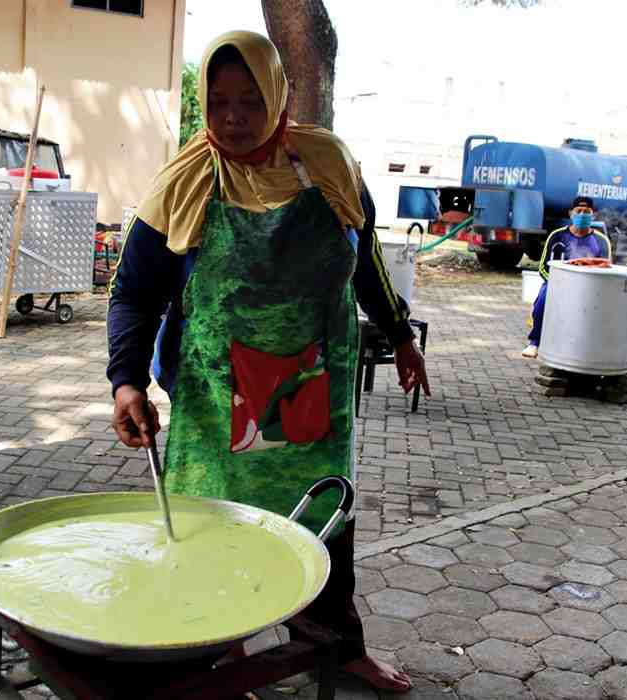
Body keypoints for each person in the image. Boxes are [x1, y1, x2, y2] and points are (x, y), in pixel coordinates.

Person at [107, 31, 429, 693]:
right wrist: (126, 381)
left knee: (324, 521)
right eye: (218, 101)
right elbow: (134, 291)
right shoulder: (189, 177)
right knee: (207, 524)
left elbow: (364, 256)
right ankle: (211, 654)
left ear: (277, 93)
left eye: (250, 99)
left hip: (313, 379)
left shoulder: (328, 160)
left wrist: (398, 334)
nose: (232, 116)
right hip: (216, 390)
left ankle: (335, 647)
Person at [522, 196, 611, 358]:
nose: (583, 215)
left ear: (593, 215)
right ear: (571, 213)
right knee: (543, 297)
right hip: (557, 284)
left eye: (587, 212)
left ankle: (591, 348)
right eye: (579, 211)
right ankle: (534, 342)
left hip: (590, 289)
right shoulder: (557, 236)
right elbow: (543, 266)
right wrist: (557, 283)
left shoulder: (601, 241)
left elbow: (607, 270)